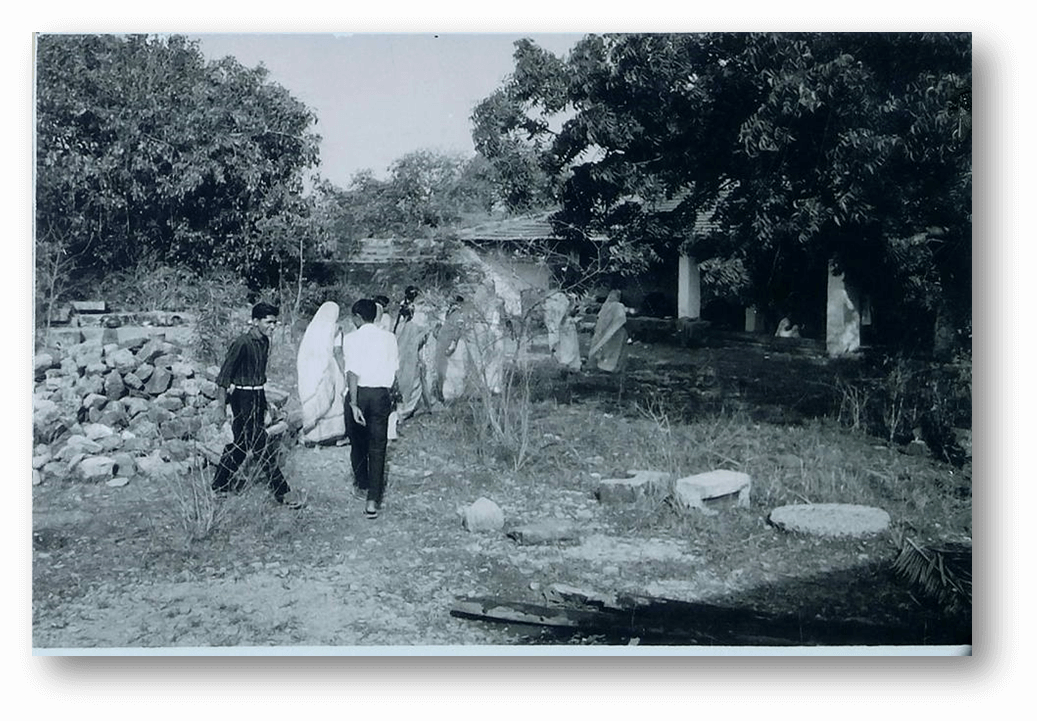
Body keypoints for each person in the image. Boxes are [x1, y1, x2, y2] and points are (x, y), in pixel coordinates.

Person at [211, 302, 302, 509]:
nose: (272, 327)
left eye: (274, 323)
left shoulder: (264, 343)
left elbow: (258, 378)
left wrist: (264, 402)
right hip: (241, 400)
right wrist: (220, 407)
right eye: (268, 322)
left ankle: (219, 484)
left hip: (257, 397)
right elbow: (223, 377)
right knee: (261, 446)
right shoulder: (242, 343)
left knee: (241, 446)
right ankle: (283, 492)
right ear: (255, 321)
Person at [340, 298, 399, 519]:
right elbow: (394, 370)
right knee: (378, 446)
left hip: (360, 393)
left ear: (357, 316)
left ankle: (362, 483)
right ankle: (373, 499)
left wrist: (354, 404)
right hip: (381, 393)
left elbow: (352, 373)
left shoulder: (352, 338)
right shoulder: (390, 338)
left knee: (357, 442)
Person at [296, 301, 347, 446]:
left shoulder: (312, 328)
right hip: (328, 367)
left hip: (311, 370)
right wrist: (343, 371)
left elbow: (304, 353)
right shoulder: (336, 328)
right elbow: (337, 351)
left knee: (315, 398)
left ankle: (312, 436)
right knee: (334, 400)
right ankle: (333, 435)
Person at [394, 286, 432, 421]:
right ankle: (406, 407)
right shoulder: (416, 315)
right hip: (411, 348)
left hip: (405, 348)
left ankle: (405, 406)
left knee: (407, 376)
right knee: (413, 377)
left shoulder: (406, 311)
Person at [434, 295, 468, 403]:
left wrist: (453, 344)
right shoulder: (447, 313)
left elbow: (458, 331)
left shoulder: (459, 315)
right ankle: (447, 395)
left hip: (455, 346)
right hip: (445, 344)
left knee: (456, 371)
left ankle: (455, 396)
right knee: (446, 370)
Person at [587, 290, 629, 372]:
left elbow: (619, 318)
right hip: (612, 332)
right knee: (611, 350)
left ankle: (607, 367)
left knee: (610, 350)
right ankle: (607, 367)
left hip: (613, 331)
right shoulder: (612, 306)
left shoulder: (610, 306)